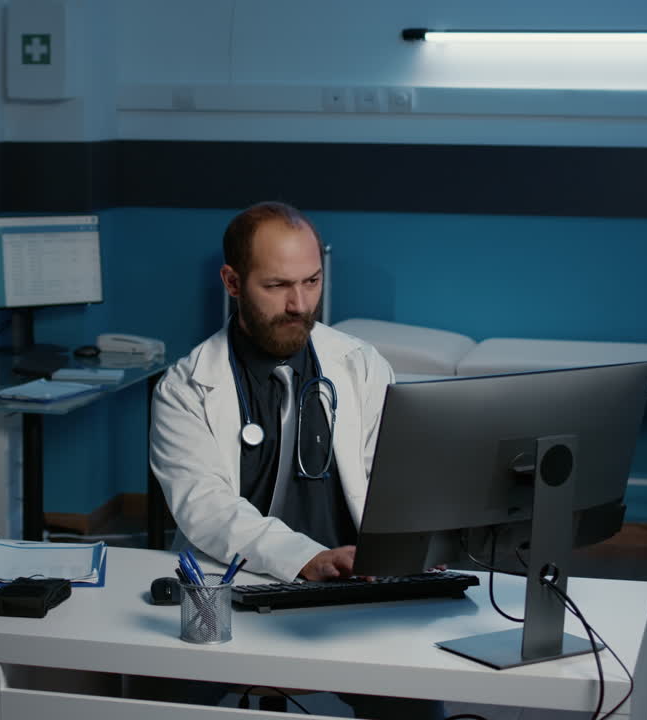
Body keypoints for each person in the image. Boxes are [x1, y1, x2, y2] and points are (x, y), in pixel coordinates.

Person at [145, 201, 443, 719]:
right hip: (230, 585)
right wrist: (303, 557)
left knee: (413, 709)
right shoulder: (185, 388)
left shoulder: (361, 366)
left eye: (311, 281)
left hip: (353, 584)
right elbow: (207, 509)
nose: (300, 304)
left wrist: (413, 536)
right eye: (278, 286)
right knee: (161, 706)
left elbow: (391, 477)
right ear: (232, 282)